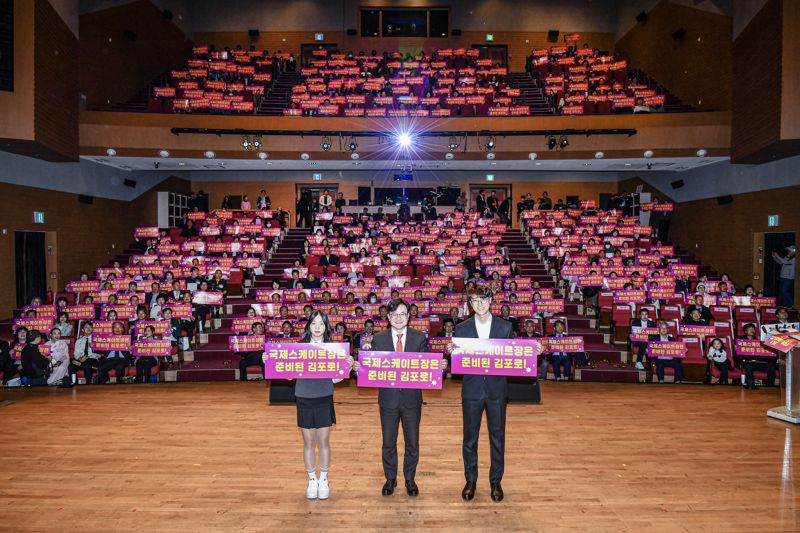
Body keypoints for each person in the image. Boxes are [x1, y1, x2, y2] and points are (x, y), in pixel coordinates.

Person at [361, 299, 444, 498]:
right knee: (388, 442)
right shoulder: (378, 340)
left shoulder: (418, 338)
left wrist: (438, 366)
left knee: (412, 442)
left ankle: (410, 478)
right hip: (388, 400)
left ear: (408, 316)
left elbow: (427, 365)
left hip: (411, 399)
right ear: (388, 317)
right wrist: (363, 361)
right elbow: (371, 368)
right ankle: (390, 478)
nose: (398, 318)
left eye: (402, 314)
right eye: (394, 314)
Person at [455, 285, 515, 502]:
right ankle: (470, 480)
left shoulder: (505, 327)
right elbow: (458, 360)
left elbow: (514, 355)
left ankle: (495, 481)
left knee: (497, 437)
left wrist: (531, 351)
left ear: (491, 300)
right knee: (469, 439)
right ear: (469, 304)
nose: (479, 304)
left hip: (496, 390)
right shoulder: (461, 328)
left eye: (482, 300)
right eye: (474, 301)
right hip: (471, 391)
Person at [295, 311, 355, 500]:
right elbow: (289, 374)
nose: (317, 327)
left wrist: (347, 365)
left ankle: (324, 479)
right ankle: (312, 479)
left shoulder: (334, 348)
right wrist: (270, 361)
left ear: (326, 327)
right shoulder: (298, 348)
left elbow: (336, 378)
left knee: (323, 441)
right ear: (308, 326)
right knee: (309, 442)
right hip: (304, 396)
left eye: (321, 323)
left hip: (323, 396)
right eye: (314, 323)